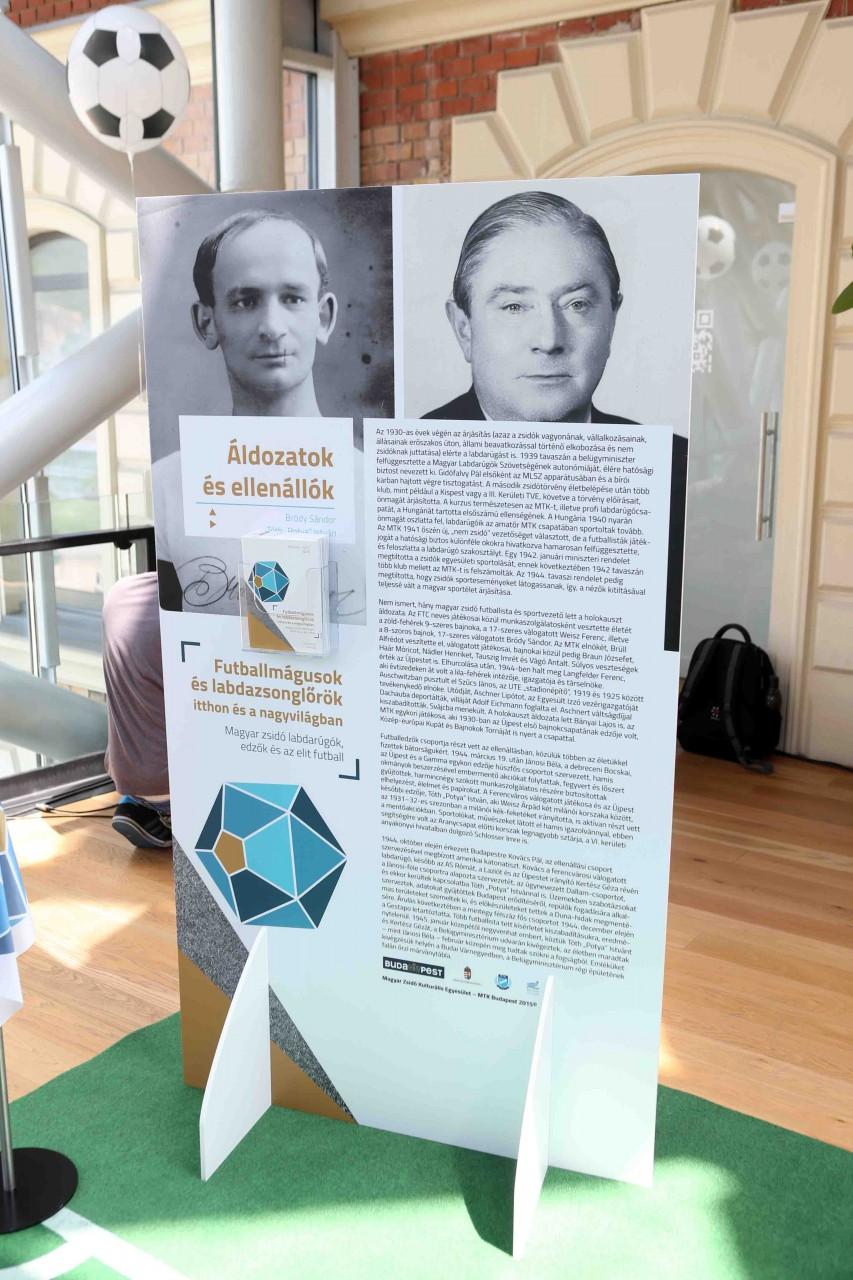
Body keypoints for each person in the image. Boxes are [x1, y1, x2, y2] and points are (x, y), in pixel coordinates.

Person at [104, 209, 358, 848]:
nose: (272, 327)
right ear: (207, 322)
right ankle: (160, 797)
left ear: (323, 315)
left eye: (291, 298)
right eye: (245, 301)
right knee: (131, 605)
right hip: (228, 730)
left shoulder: (371, 481)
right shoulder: (171, 480)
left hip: (330, 742)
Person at [423, 191, 636, 424]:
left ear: (611, 322)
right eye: (514, 307)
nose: (548, 342)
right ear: (464, 329)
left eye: (576, 304)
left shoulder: (657, 446)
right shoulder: (418, 445)